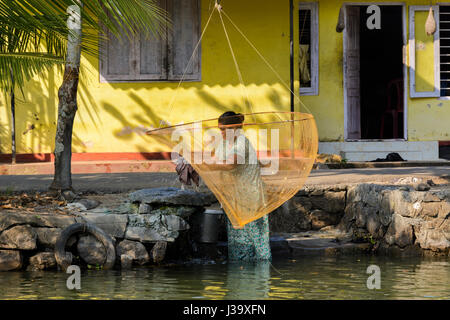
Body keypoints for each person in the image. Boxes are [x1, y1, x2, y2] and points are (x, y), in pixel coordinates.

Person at [205, 111, 272, 262]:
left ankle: (261, 278)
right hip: (234, 197)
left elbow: (230, 164)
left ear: (234, 128)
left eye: (223, 129)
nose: (220, 132)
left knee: (256, 239)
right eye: (219, 129)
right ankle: (241, 279)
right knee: (238, 240)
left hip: (250, 196)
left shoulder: (242, 142)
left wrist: (207, 165)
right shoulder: (223, 143)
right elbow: (214, 159)